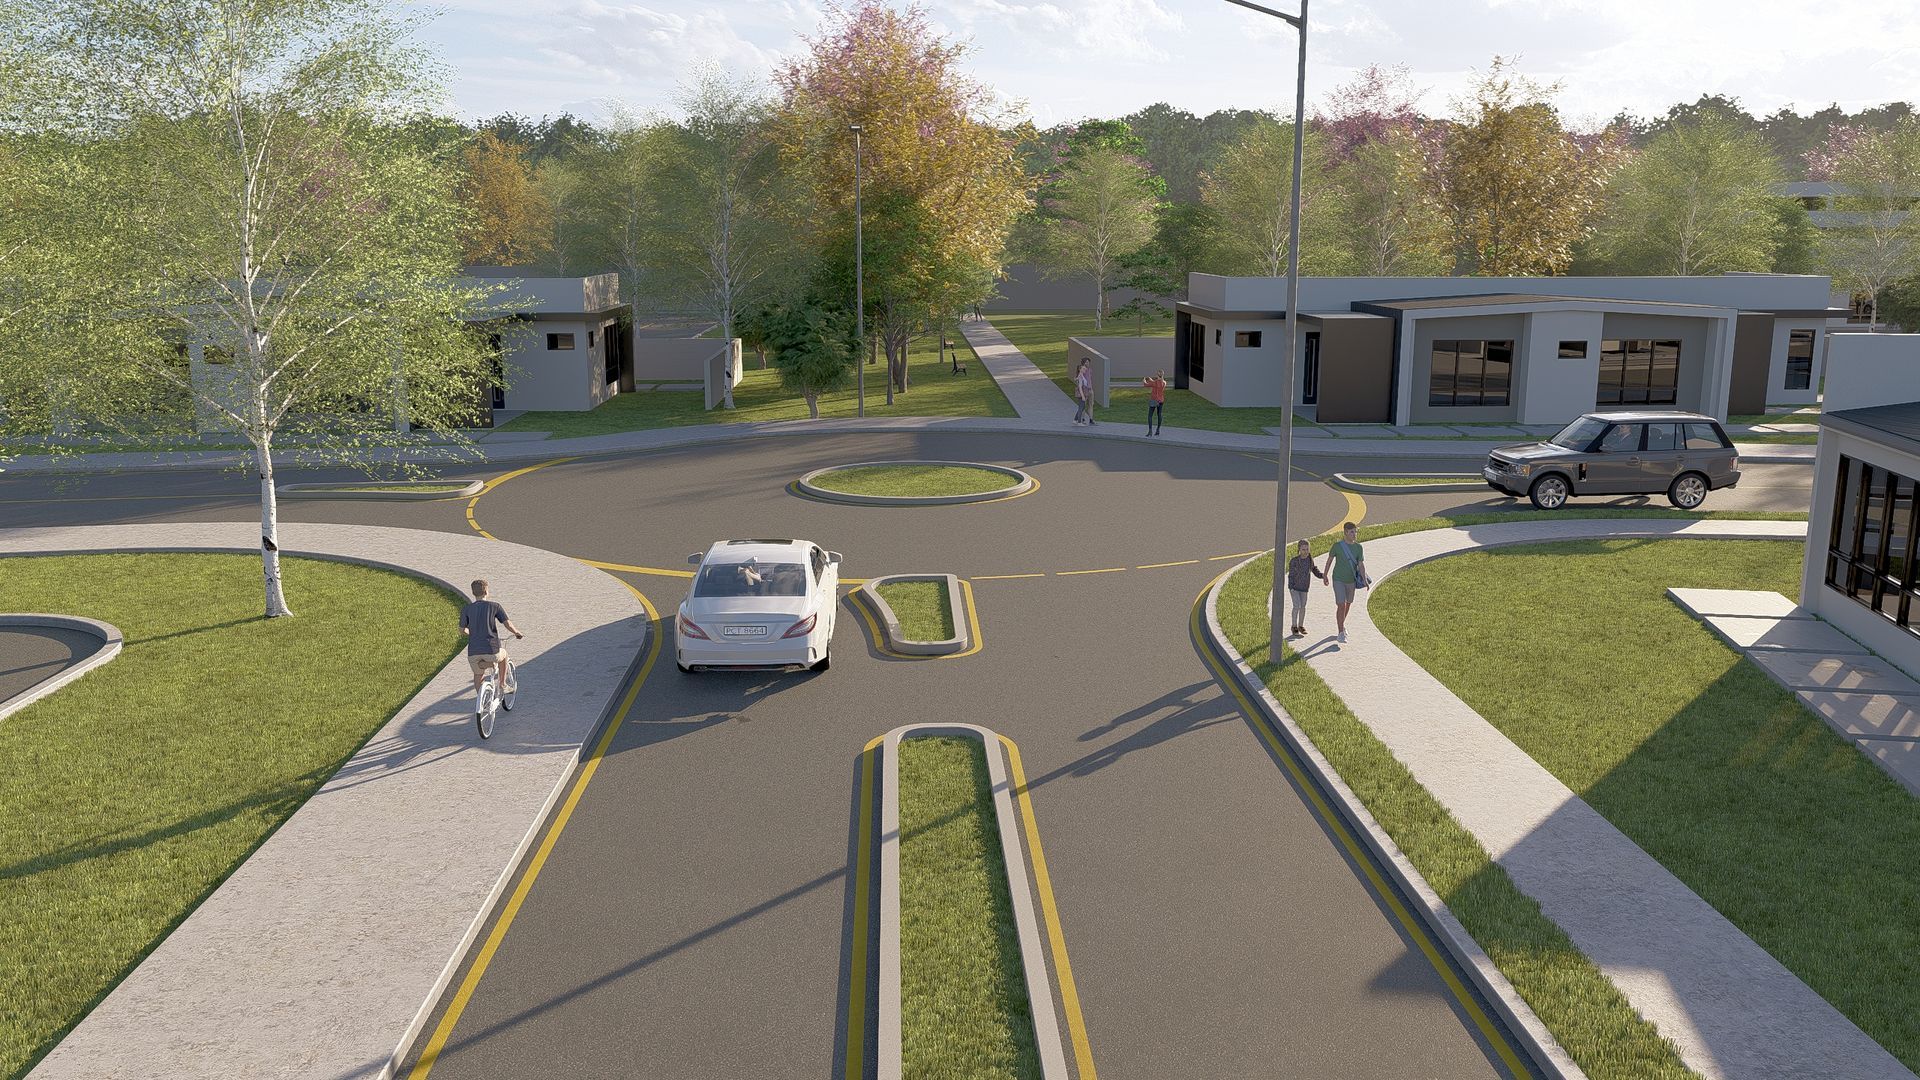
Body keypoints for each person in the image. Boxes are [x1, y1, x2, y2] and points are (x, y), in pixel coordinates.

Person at [460, 579, 523, 705]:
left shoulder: (466, 609)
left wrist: (472, 633)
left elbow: (462, 630)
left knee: (478, 674)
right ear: (486, 591)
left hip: (473, 653)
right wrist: (517, 632)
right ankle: (502, 685)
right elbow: (507, 624)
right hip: (491, 650)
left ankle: (482, 701)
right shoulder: (494, 606)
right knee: (503, 654)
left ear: (473, 593)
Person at [1320, 522, 1369, 643]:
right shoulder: (1337, 546)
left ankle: (1341, 624)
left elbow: (1361, 565)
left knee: (1348, 603)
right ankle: (1341, 632)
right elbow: (1329, 561)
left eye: (1355, 531)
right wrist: (1325, 575)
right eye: (1352, 532)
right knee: (1341, 605)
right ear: (1345, 532)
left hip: (1351, 581)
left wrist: (1364, 579)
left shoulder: (1359, 548)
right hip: (1338, 579)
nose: (1354, 534)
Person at [1286, 539, 1327, 638]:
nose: (1305, 551)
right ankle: (1294, 626)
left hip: (1304, 588)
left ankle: (1301, 625)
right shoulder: (1294, 561)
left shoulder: (1309, 559)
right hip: (1294, 588)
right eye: (1303, 549)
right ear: (1299, 549)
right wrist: (1291, 587)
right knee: (1297, 606)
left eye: (1307, 549)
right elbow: (1291, 575)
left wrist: (1322, 576)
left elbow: (1314, 569)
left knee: (1303, 606)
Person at [1141, 369, 1167, 436]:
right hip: (1161, 400)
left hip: (1154, 400)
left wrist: (1144, 380)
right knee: (1159, 414)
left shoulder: (1155, 382)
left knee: (1150, 415)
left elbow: (1145, 385)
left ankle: (1150, 431)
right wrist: (1151, 380)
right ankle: (1158, 430)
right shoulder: (1164, 382)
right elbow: (1157, 384)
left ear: (1157, 375)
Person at [1072, 358, 1096, 426]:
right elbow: (1078, 380)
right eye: (1086, 362)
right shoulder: (1081, 372)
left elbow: (1089, 380)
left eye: (1088, 362)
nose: (1087, 364)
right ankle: (1081, 420)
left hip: (1089, 390)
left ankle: (1090, 419)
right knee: (1082, 406)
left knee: (1089, 405)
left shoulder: (1089, 370)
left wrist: (1090, 388)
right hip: (1083, 391)